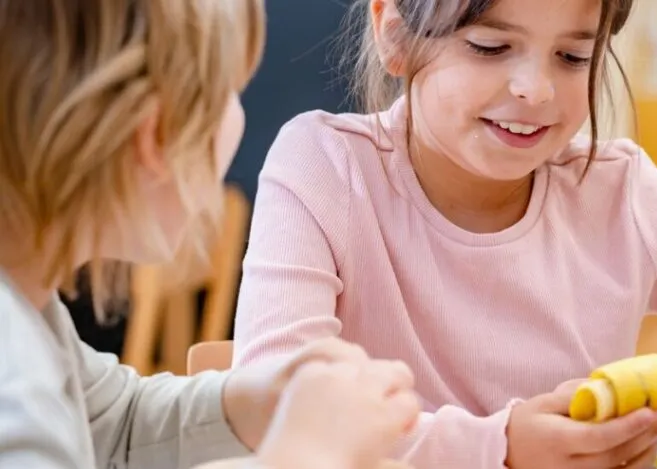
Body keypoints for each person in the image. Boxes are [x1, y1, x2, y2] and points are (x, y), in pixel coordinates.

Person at [231, 0, 657, 467]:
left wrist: (655, 425)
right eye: (489, 47)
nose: (535, 89)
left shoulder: (622, 193)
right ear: (395, 35)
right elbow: (271, 414)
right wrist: (500, 446)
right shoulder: (323, 166)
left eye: (573, 56)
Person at [0, 2, 418, 469]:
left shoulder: (28, 310)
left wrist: (247, 403)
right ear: (153, 136)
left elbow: (113, 426)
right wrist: (302, 457)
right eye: (229, 95)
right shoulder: (12, 373)